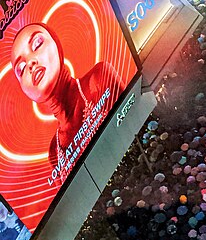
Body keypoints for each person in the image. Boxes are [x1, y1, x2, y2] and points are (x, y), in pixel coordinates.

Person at [11, 23, 123, 180]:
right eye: (21, 68)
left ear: (56, 44)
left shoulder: (99, 78)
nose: (30, 63)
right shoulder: (54, 151)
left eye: (37, 44)